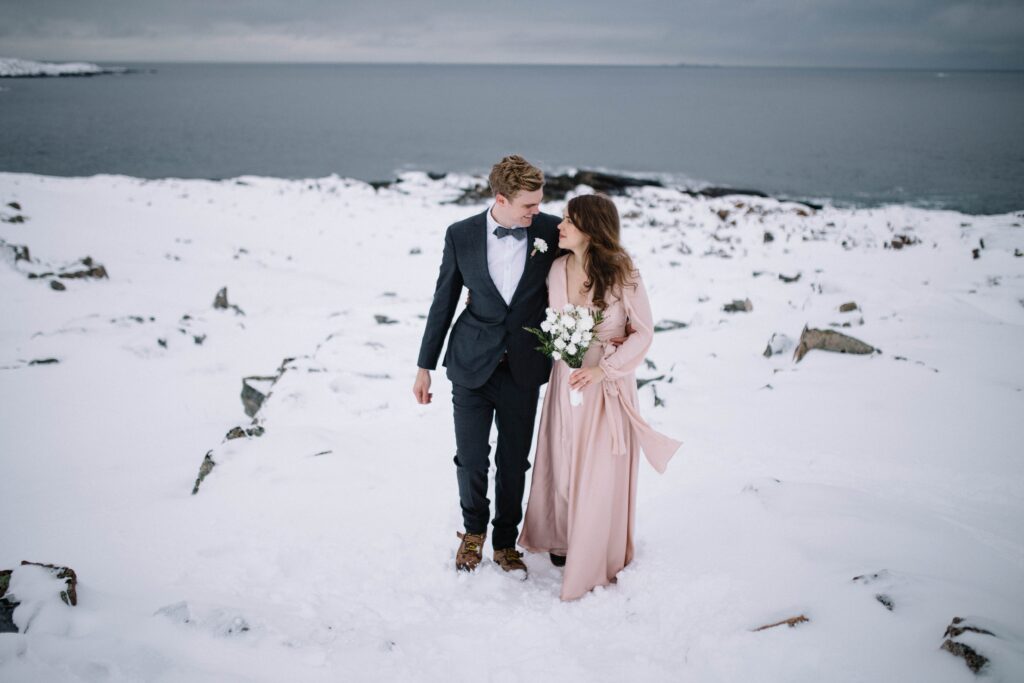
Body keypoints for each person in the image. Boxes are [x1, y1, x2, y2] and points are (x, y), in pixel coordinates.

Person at [518, 193, 682, 601]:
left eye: (569, 220)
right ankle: (562, 537)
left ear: (590, 228)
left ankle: (595, 549)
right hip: (566, 377)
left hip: (605, 383)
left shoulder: (624, 272)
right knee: (563, 456)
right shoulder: (556, 269)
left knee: (599, 468)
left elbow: (643, 332)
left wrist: (602, 369)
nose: (560, 225)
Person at [413, 155, 560, 576]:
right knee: (472, 458)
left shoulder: (551, 230)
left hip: (525, 366)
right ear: (501, 198)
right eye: (528, 205)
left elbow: (585, 268)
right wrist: (424, 366)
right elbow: (443, 301)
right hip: (471, 363)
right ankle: (473, 532)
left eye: (539, 203)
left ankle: (505, 540)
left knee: (515, 461)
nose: (537, 211)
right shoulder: (461, 235)